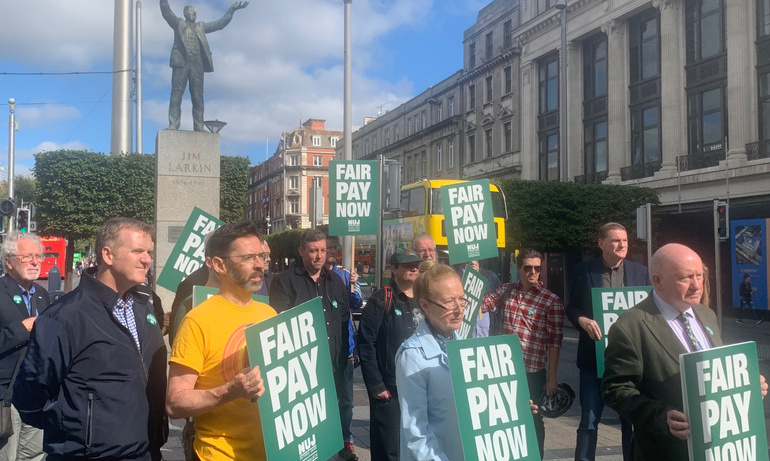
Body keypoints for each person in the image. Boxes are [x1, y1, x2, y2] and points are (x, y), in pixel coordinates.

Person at [13, 218, 168, 461]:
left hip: (148, 451)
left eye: (149, 252)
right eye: (138, 251)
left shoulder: (144, 309)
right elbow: (29, 397)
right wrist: (79, 433)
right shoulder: (65, 316)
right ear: (108, 254)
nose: (147, 259)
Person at [601, 243, 768, 460]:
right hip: (667, 451)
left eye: (699, 276)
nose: (697, 285)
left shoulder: (706, 314)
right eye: (685, 278)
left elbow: (715, 369)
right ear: (657, 281)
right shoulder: (630, 327)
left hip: (716, 448)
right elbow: (615, 390)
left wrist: (745, 383)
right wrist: (661, 416)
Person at [166, 221, 276, 460]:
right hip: (219, 454)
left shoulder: (269, 313)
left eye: (261, 256)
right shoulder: (197, 320)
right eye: (248, 257)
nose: (260, 265)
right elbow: (174, 403)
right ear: (219, 265)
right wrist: (229, 391)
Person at [566, 222, 650, 461]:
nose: (622, 244)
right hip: (593, 361)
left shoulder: (640, 272)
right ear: (601, 243)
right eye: (615, 240)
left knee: (630, 424)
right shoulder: (584, 271)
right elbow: (571, 307)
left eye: (624, 240)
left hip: (629, 364)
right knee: (589, 422)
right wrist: (582, 320)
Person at [269, 229, 351, 456]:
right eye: (314, 251)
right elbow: (279, 324)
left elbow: (344, 319)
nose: (319, 256)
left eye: (323, 250)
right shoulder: (284, 281)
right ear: (301, 251)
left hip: (334, 363)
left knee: (331, 414)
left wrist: (345, 356)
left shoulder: (336, 280)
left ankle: (331, 450)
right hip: (303, 366)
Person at [481, 248, 564, 458]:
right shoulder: (506, 291)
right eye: (528, 268)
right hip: (504, 370)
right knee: (504, 419)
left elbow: (555, 342)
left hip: (532, 373)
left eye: (537, 268)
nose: (533, 272)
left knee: (534, 418)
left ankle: (535, 456)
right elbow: (481, 305)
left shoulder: (551, 301)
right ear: (519, 268)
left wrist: (551, 377)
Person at [395, 261, 464, 461]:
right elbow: (416, 431)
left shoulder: (465, 347)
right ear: (425, 305)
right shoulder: (412, 356)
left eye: (462, 299)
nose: (459, 309)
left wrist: (512, 407)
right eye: (450, 302)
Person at [357, 249, 421, 461]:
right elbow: (366, 344)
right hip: (389, 389)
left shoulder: (424, 299)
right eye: (407, 265)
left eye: (416, 265)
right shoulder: (381, 300)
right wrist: (377, 386)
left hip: (417, 387)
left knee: (414, 445)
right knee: (389, 449)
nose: (414, 269)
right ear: (394, 270)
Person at [160, 0, 249, 131]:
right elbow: (166, 12)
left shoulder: (201, 26)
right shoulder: (178, 23)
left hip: (197, 64)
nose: (194, 14)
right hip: (181, 62)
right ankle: (174, 123)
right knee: (176, 95)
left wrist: (231, 10)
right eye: (191, 11)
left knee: (197, 97)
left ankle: (199, 125)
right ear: (185, 13)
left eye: (195, 12)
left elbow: (219, 24)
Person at [0, 233, 50, 461]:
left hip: (37, 395)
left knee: (34, 456)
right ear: (8, 261)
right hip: (6, 397)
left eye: (39, 256)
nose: (35, 261)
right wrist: (23, 329)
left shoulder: (42, 295)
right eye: (28, 256)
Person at [325, 236, 363, 460]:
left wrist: (354, 286)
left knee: (346, 400)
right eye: (325, 247)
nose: (328, 252)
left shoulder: (346, 275)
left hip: (345, 350)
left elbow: (357, 302)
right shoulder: (318, 277)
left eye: (331, 248)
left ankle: (346, 438)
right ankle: (327, 438)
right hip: (324, 351)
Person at [459, 259, 501, 338]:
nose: (472, 261)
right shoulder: (454, 277)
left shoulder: (490, 276)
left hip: (487, 335)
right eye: (468, 258)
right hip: (463, 336)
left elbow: (500, 301)